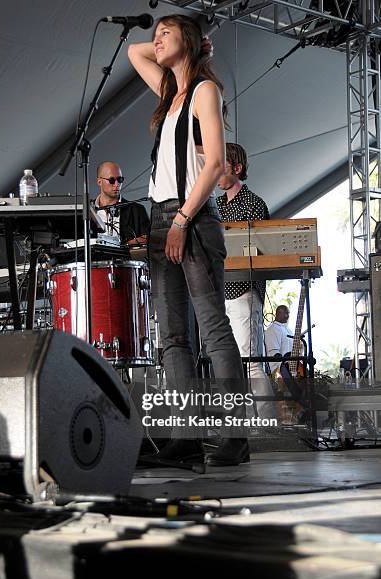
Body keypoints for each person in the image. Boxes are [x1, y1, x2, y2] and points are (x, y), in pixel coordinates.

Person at [128, 14, 249, 466]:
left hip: (191, 217)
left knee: (213, 328)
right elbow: (132, 52)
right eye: (156, 32)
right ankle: (187, 433)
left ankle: (236, 436)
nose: (155, 40)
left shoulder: (204, 91)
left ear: (191, 41)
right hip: (162, 218)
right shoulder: (168, 93)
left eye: (166, 32)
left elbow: (216, 161)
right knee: (172, 337)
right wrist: (166, 39)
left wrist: (181, 220)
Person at [216, 143, 275, 417]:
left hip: (243, 291)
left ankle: (266, 424)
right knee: (232, 363)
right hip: (220, 292)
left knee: (251, 361)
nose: (214, 172)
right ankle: (244, 425)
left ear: (237, 169)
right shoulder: (215, 204)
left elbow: (260, 253)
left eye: (221, 165)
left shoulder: (254, 204)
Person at [94, 160, 150, 243]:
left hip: (125, 256)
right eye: (111, 180)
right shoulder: (88, 211)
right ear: (99, 181)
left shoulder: (137, 210)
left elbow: (148, 239)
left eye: (120, 179)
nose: (117, 184)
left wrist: (126, 245)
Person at [265, 305, 294, 373]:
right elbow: (273, 352)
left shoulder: (288, 330)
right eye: (286, 313)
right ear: (278, 313)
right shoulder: (272, 329)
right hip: (279, 370)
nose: (287, 316)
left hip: (292, 368)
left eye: (288, 313)